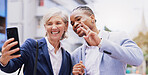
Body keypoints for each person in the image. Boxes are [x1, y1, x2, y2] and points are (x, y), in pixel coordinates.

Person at [70, 6, 143, 75]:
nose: (75, 25)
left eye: (78, 19)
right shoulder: (75, 55)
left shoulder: (118, 37)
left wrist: (100, 43)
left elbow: (138, 59)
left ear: (92, 18)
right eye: (72, 24)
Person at [0, 7, 72, 75]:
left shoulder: (67, 56)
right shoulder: (31, 46)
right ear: (45, 27)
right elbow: (11, 66)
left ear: (66, 26)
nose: (53, 27)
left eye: (58, 23)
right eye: (49, 24)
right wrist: (3, 61)